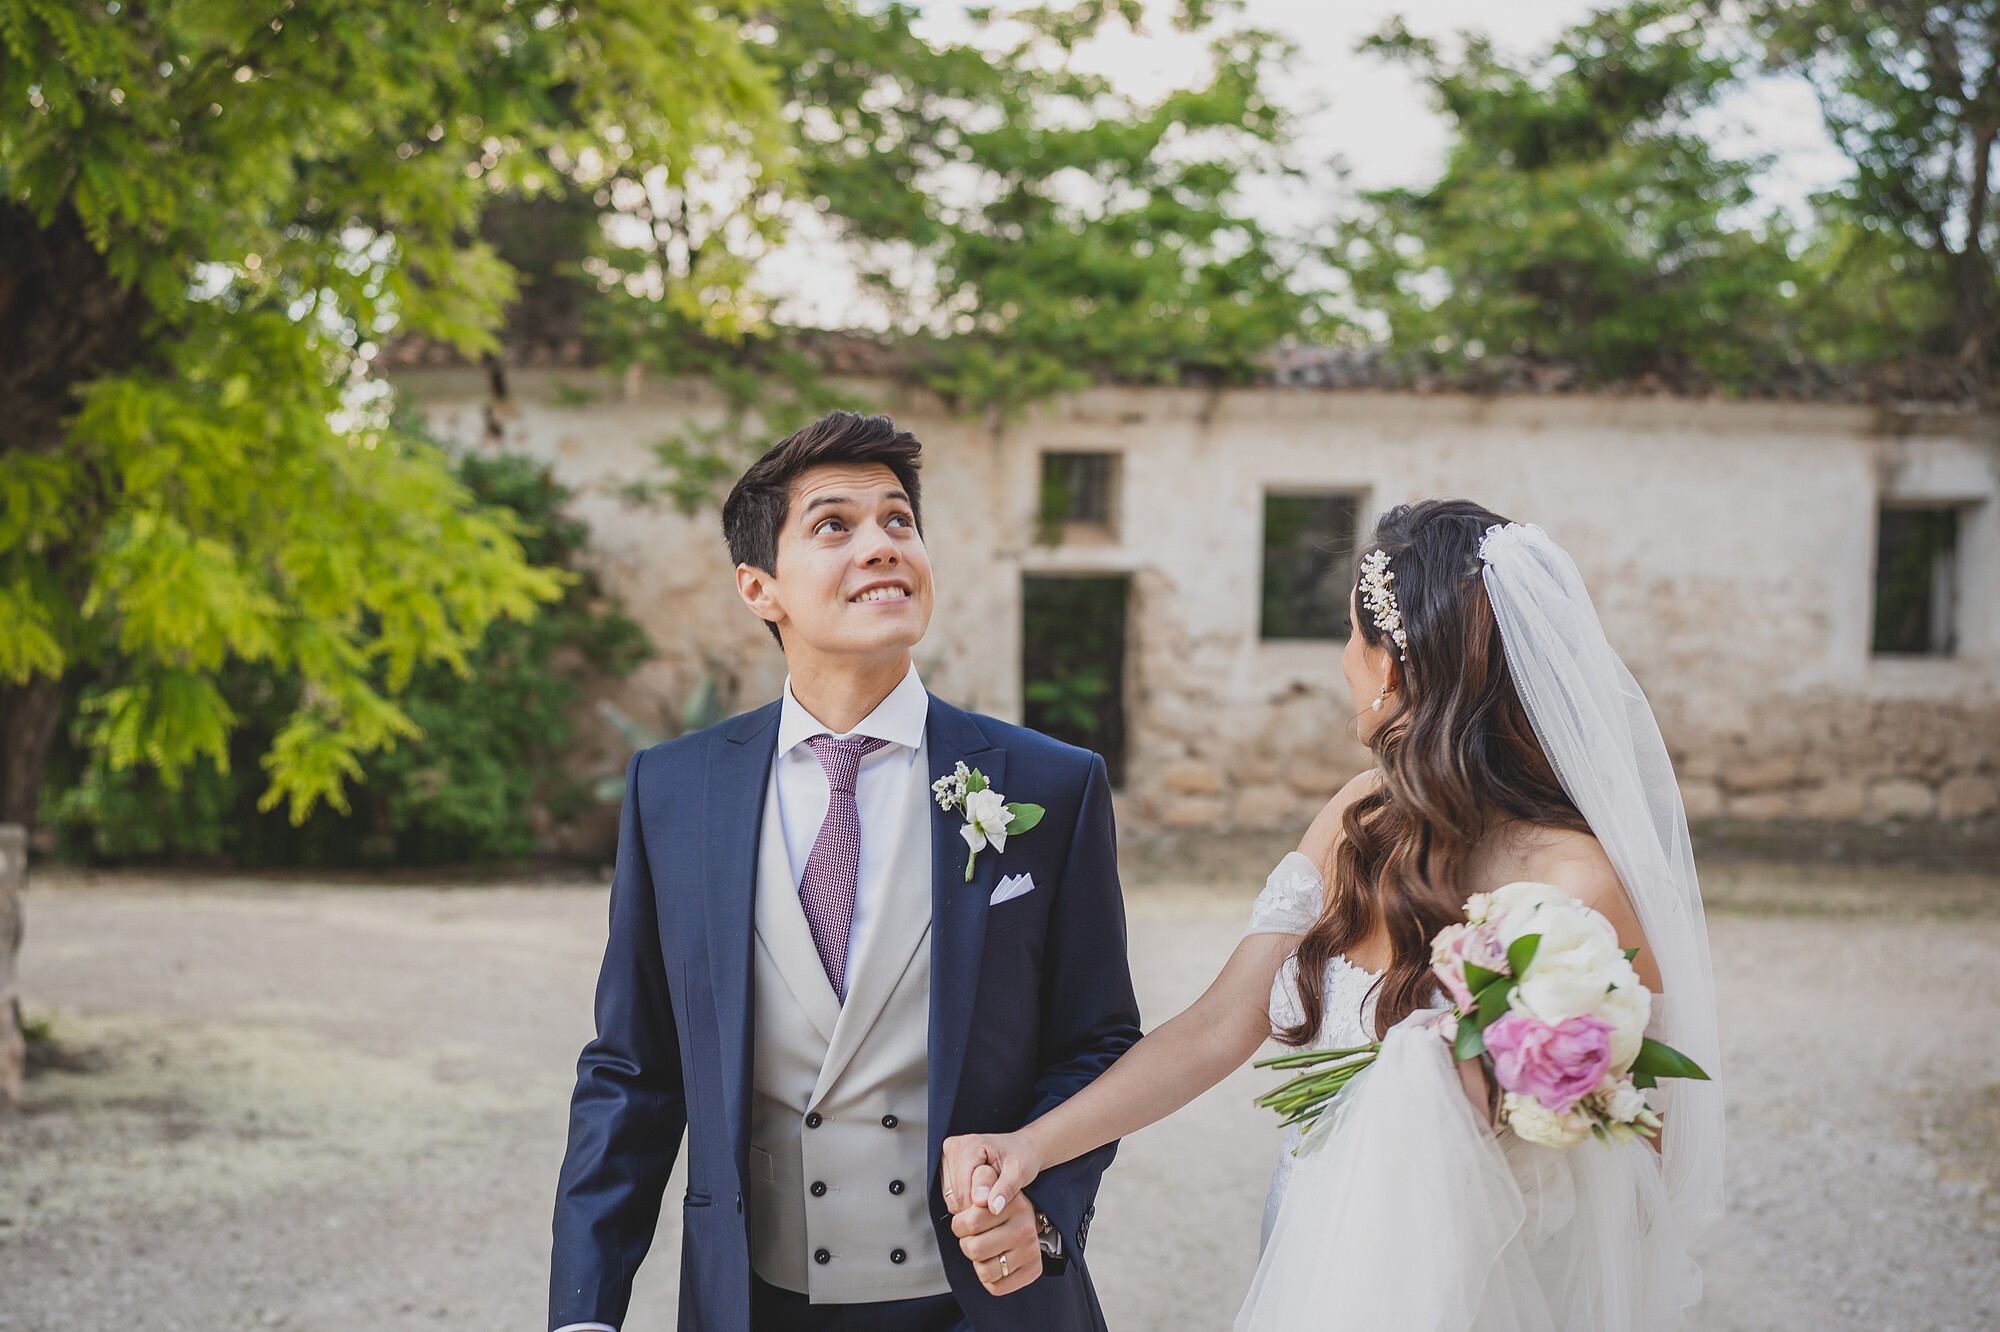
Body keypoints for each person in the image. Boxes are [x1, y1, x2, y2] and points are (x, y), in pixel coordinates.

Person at [940, 499, 1724, 1330]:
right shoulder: (1360, 817)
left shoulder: (1578, 887)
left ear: (1390, 667)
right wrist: (1029, 1147)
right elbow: (1216, 1027)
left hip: (1488, 1285)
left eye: (1353, 635)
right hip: (1313, 1253)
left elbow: (1635, 1151)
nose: (1343, 660)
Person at [549, 411, 1141, 1332]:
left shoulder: (1052, 786)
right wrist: (585, 1313)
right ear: (760, 587)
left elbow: (1096, 1044)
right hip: (755, 1303)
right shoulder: (672, 790)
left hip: (986, 1306)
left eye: (900, 521)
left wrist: (1047, 1208)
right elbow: (633, 1071)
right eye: (835, 526)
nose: (883, 547)